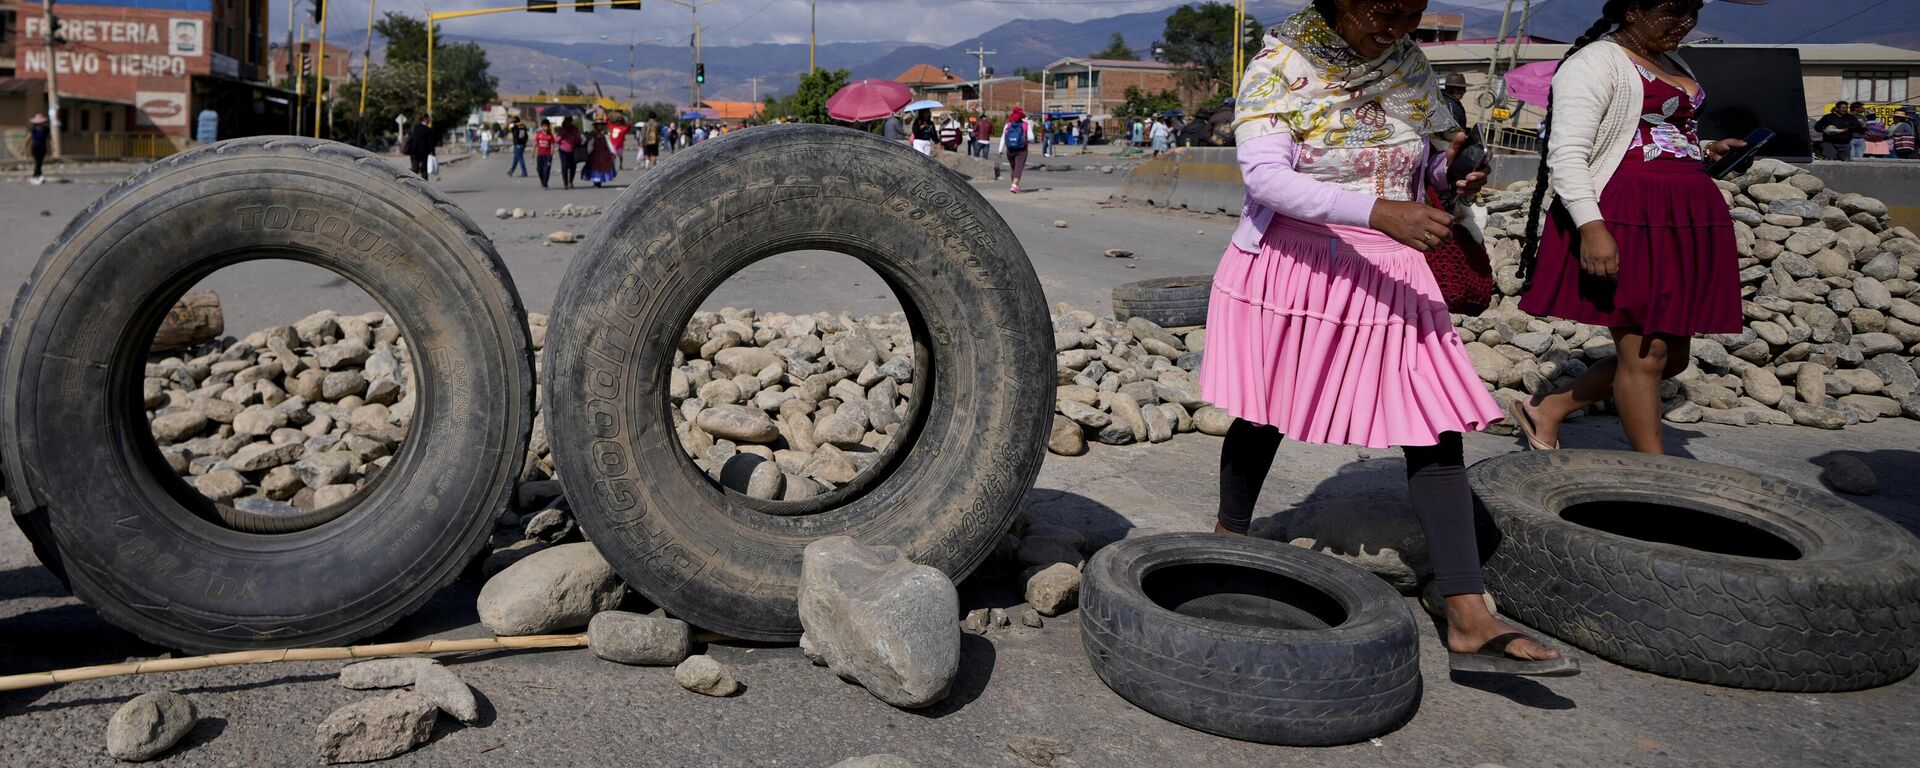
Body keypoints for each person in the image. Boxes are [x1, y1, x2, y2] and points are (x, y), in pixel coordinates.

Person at [1205, 0, 1573, 677]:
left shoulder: (1406, 61)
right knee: (1266, 410)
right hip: (1300, 264)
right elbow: (1265, 177)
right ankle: (1227, 542)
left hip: (1395, 259)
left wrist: (1449, 174)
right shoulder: (1281, 63)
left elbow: (1424, 160)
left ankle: (1467, 612)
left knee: (1432, 422)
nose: (1397, 23)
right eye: (1382, 7)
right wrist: (1378, 210)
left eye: (1411, 8)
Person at [1510, 0, 1745, 456]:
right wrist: (1591, 228)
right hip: (1629, 215)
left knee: (1672, 357)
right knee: (1646, 353)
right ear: (1633, 9)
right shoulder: (1595, 62)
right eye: (1674, 9)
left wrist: (1707, 149)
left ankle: (1550, 408)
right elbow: (1567, 153)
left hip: (1683, 216)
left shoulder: (1669, 58)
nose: (1686, 22)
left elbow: (1651, 131)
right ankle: (1654, 476)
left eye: (1693, 10)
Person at [1002, 107, 1033, 193]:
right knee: (1019, 167)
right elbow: (1031, 137)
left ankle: (1015, 185)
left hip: (1010, 149)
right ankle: (1014, 185)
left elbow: (1003, 137)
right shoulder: (1025, 125)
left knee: (1013, 167)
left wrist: (1000, 149)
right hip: (1022, 149)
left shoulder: (1008, 125)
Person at [584, 121, 618, 187]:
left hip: (604, 153)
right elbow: (590, 144)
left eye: (601, 125)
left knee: (602, 167)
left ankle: (599, 182)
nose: (600, 126)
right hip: (595, 153)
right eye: (598, 125)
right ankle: (595, 182)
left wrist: (613, 152)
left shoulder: (605, 134)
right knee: (594, 168)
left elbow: (609, 143)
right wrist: (588, 152)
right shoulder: (593, 134)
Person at [24, 113, 51, 185]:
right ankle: (35, 176)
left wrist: (52, 146)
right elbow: (28, 139)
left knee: (40, 162)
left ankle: (39, 175)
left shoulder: (46, 129)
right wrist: (23, 147)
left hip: (43, 147)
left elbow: (49, 139)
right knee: (37, 162)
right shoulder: (33, 130)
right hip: (35, 147)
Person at [405, 115, 436, 180]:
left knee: (414, 169)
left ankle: (413, 183)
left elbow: (410, 138)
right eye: (429, 119)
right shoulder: (428, 130)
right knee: (424, 170)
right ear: (425, 119)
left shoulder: (415, 128)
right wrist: (433, 153)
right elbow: (431, 143)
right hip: (424, 153)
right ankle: (424, 186)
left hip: (414, 152)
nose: (430, 121)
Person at [556, 117, 583, 189]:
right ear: (565, 122)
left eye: (570, 121)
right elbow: (557, 140)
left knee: (573, 167)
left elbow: (579, 139)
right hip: (563, 150)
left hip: (573, 150)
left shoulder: (575, 129)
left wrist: (576, 139)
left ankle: (571, 181)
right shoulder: (561, 130)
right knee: (564, 166)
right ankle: (565, 183)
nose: (568, 123)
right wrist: (562, 134)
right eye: (567, 121)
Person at [534, 121, 556, 189]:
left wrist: (551, 155)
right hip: (540, 155)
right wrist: (532, 153)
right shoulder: (539, 134)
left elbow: (552, 145)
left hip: (547, 155)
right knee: (539, 169)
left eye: (546, 126)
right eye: (544, 126)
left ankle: (545, 183)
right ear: (542, 126)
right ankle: (542, 181)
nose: (545, 127)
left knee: (546, 170)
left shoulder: (550, 135)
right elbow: (535, 144)